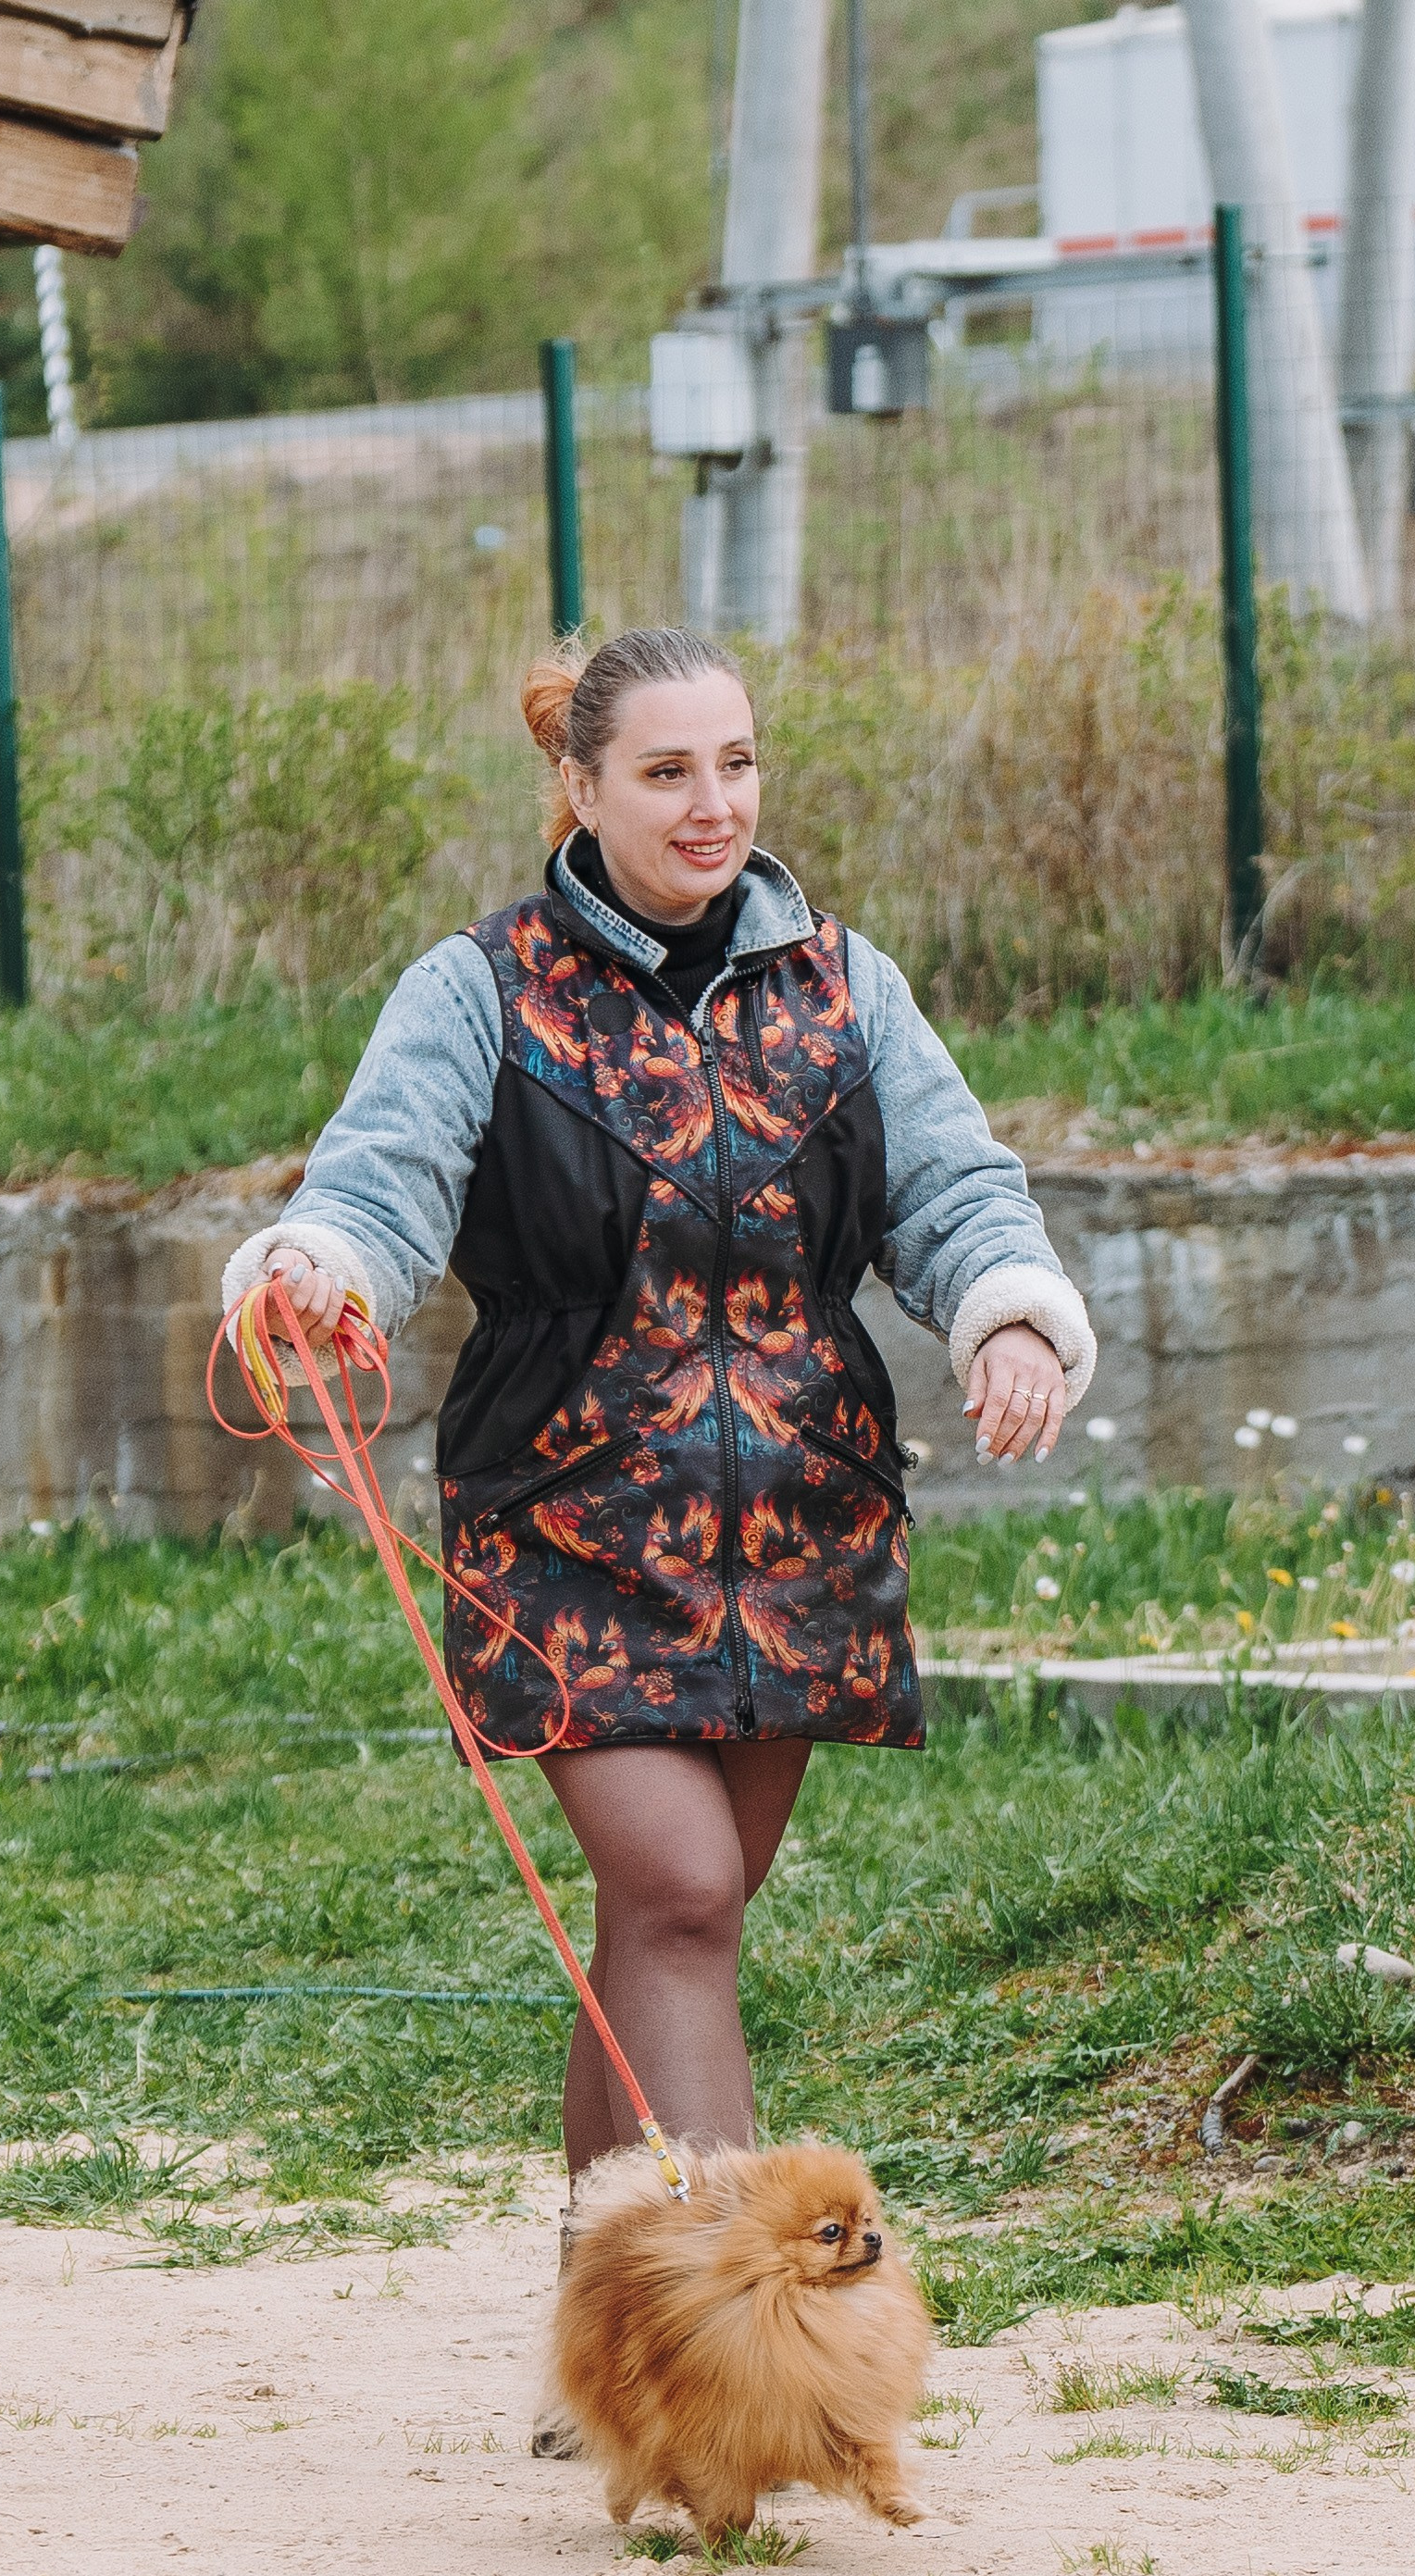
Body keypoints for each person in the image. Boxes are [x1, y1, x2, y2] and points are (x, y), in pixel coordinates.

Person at [222, 624, 1096, 2192]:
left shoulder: (847, 984)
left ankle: (602, 2334)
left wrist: (1009, 1313)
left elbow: (956, 1187)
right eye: (668, 771)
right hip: (566, 1523)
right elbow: (383, 1181)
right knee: (685, 1891)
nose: (714, 804)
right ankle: (732, 2326)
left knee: (670, 1922)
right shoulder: (478, 988)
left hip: (805, 1522)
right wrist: (318, 1268)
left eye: (738, 763)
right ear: (580, 787)